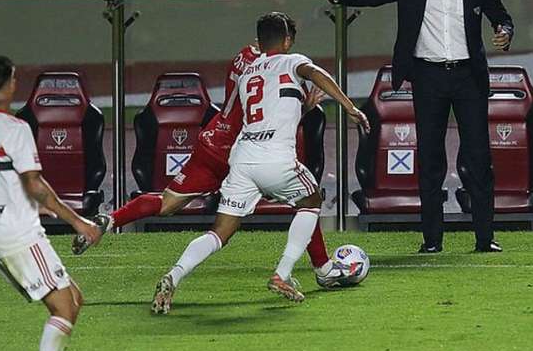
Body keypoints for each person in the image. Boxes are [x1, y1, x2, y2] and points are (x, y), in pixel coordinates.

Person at [76, 41, 355, 289]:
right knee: (305, 199)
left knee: (168, 203)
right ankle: (321, 268)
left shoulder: (244, 58)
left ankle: (111, 220)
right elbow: (267, 111)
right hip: (244, 148)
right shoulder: (278, 64)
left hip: (212, 140)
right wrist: (306, 106)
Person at [314, 0, 514, 254]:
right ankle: (432, 241)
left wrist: (506, 32)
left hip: (469, 79)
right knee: (431, 161)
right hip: (428, 78)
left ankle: (484, 239)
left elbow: (501, 15)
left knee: (478, 159)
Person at [151, 12, 370, 312]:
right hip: (275, 157)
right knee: (312, 199)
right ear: (288, 40)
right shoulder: (292, 61)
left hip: (242, 159)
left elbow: (268, 112)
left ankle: (173, 275)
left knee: (220, 232)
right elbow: (318, 74)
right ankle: (283, 273)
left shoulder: (249, 74)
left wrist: (303, 108)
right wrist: (350, 107)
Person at [0, 56, 102, 351]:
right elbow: (35, 185)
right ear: (10, 84)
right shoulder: (16, 128)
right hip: (20, 234)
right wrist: (79, 221)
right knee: (64, 309)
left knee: (74, 299)